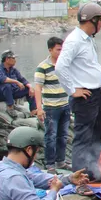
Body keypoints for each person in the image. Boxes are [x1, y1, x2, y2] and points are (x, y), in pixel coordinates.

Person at [55, 2, 101, 181]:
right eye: (100, 20)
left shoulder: (88, 39)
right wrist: (72, 90)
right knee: (83, 138)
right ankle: (80, 178)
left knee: (96, 136)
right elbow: (60, 67)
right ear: (93, 20)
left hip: (96, 93)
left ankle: (93, 172)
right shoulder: (74, 40)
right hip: (85, 96)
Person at [33, 37, 70, 172]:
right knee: (51, 136)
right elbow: (38, 88)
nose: (61, 52)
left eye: (62, 49)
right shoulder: (43, 67)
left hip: (65, 105)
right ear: (50, 50)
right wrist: (39, 108)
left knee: (63, 135)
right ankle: (50, 164)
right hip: (51, 107)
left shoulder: (65, 65)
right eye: (58, 50)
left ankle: (61, 161)